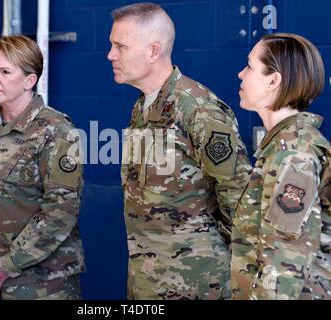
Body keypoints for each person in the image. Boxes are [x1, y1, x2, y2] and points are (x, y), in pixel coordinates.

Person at [107, 2, 252, 299]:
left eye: (120, 46)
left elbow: (238, 201)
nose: (111, 55)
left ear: (153, 50)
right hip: (148, 281)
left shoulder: (198, 110)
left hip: (196, 284)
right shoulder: (143, 108)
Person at [0, 35, 85, 300]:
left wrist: (6, 265)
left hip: (40, 287)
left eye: (5, 71)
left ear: (29, 81)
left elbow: (61, 211)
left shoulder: (57, 131)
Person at [231, 33, 331, 300]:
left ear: (274, 80)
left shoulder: (294, 152)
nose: (241, 74)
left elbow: (284, 263)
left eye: (250, 66)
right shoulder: (285, 144)